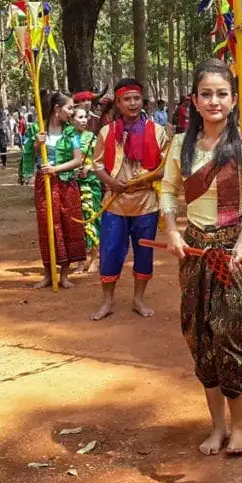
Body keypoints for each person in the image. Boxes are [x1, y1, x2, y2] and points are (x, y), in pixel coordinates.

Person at [160, 58, 242, 457]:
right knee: (199, 335)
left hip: (234, 255)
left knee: (234, 336)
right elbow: (168, 191)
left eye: (222, 94)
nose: (214, 101)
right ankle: (217, 427)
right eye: (206, 94)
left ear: (232, 100)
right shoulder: (179, 146)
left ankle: (240, 427)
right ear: (194, 100)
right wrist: (171, 231)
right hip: (193, 251)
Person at [91, 79, 168, 319]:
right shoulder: (107, 132)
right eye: (127, 99)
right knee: (110, 251)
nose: (132, 103)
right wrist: (111, 183)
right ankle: (107, 301)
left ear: (142, 101)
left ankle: (138, 299)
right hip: (115, 201)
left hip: (146, 202)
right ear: (119, 102)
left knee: (144, 253)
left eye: (136, 98)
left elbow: (166, 166)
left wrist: (146, 180)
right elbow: (98, 165)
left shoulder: (157, 131)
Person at [28, 92, 87, 289]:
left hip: (66, 185)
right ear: (56, 108)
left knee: (68, 224)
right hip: (44, 184)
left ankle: (64, 274)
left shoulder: (70, 132)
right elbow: (27, 155)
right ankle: (47, 274)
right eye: (69, 108)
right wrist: (37, 144)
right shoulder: (38, 129)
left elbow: (78, 160)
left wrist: (56, 169)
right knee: (47, 225)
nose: (71, 112)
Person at [71, 107, 102, 273]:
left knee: (92, 218)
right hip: (72, 184)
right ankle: (79, 261)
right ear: (71, 119)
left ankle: (95, 259)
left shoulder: (92, 137)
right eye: (80, 117)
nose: (83, 120)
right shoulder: (67, 137)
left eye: (85, 117)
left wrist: (88, 168)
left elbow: (100, 160)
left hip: (91, 183)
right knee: (76, 222)